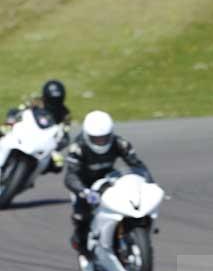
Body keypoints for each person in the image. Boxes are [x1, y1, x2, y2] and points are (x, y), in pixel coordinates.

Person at [64, 110, 152, 252]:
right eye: (96, 139)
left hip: (108, 181)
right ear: (87, 136)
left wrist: (148, 185)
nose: (100, 142)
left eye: (104, 138)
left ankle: (126, 233)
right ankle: (81, 242)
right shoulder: (77, 147)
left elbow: (137, 165)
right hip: (84, 185)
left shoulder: (120, 143)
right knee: (81, 217)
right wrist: (84, 191)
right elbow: (70, 176)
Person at [1, 79, 71, 171]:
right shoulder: (37, 102)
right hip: (28, 130)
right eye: (52, 100)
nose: (54, 103)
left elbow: (65, 133)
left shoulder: (64, 113)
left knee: (57, 165)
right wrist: (11, 120)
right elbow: (19, 111)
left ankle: (27, 178)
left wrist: (56, 149)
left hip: (44, 141)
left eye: (57, 100)